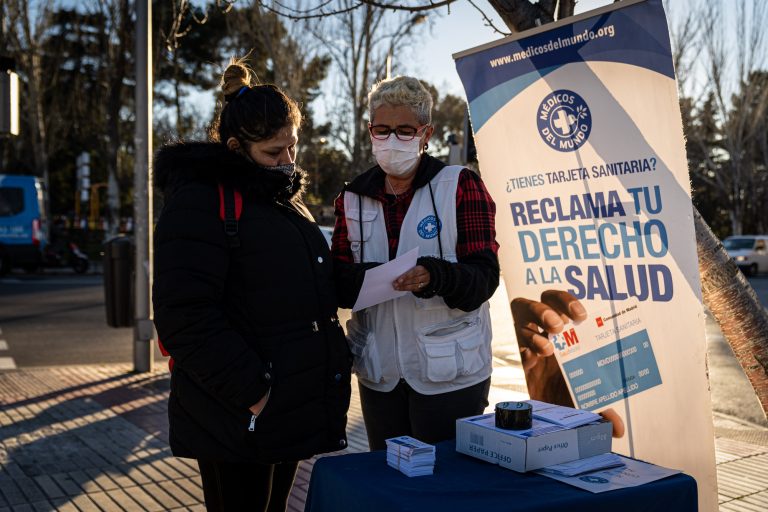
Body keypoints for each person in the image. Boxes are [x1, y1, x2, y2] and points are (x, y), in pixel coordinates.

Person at [152, 58, 351, 511]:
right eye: (273, 152)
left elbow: (308, 283)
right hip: (236, 411)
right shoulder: (201, 200)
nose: (287, 162)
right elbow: (183, 316)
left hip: (285, 404)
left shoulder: (284, 201)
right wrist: (256, 393)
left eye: (292, 148)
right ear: (235, 147)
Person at [331, 75, 500, 451]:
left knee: (444, 487)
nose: (392, 141)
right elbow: (338, 280)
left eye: (405, 131)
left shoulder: (459, 185)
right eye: (382, 130)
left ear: (426, 134)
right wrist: (365, 279)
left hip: (450, 375)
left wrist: (435, 275)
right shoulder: (353, 198)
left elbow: (484, 277)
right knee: (390, 485)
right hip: (380, 374)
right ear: (370, 130)